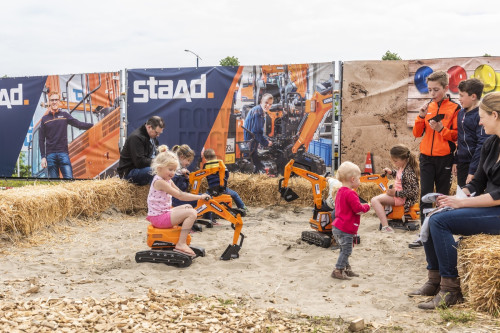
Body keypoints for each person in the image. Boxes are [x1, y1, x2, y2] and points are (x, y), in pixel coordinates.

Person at [410, 92, 500, 310]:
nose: (479, 121)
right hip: (491, 206)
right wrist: (456, 196)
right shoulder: (491, 144)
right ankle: (434, 280)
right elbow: (477, 182)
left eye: (482, 117)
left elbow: (498, 196)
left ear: (495, 115)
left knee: (441, 221)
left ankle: (451, 290)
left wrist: (460, 203)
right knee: (434, 214)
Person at [411, 71, 460, 247]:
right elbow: (417, 133)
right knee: (424, 195)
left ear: (446, 88)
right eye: (430, 90)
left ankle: (439, 232)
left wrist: (441, 130)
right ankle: (423, 234)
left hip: (445, 158)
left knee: (441, 196)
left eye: (436, 90)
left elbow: (457, 136)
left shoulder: (455, 108)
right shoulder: (428, 106)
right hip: (426, 158)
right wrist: (421, 117)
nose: (432, 94)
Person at [147, 145, 211, 257]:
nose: (172, 173)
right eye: (170, 169)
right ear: (159, 168)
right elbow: (180, 196)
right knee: (192, 213)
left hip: (163, 213)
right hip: (159, 218)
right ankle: (181, 244)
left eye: (174, 170)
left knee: (188, 207)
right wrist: (200, 197)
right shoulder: (160, 182)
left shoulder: (167, 180)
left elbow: (181, 193)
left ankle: (179, 238)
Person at [39, 91, 94, 179]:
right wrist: (43, 157)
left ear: (59, 101)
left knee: (69, 180)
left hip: (63, 153)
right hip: (50, 155)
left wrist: (93, 125)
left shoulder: (64, 115)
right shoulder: (44, 119)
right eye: (52, 100)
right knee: (54, 184)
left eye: (56, 100)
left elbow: (78, 124)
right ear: (49, 102)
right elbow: (41, 140)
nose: (54, 102)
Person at [330, 161, 370, 280]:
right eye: (359, 179)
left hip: (337, 227)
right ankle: (338, 270)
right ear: (353, 179)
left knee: (343, 249)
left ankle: (346, 269)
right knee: (347, 250)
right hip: (345, 228)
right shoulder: (351, 194)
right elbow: (358, 210)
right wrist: (368, 206)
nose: (359, 181)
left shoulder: (340, 191)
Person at [370, 144, 419, 233]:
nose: (394, 163)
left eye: (395, 161)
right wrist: (392, 172)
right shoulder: (403, 167)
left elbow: (414, 191)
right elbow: (400, 176)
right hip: (398, 195)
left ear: (404, 159)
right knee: (381, 195)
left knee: (374, 200)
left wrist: (395, 193)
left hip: (402, 198)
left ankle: (385, 227)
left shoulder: (409, 172)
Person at [453, 78, 489, 188]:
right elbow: (460, 139)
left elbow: (482, 144)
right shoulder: (461, 113)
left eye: (461, 95)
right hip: (462, 163)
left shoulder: (480, 115)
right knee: (462, 194)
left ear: (473, 96)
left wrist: (473, 170)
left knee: (473, 195)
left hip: (477, 164)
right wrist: (456, 160)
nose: (459, 99)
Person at [117, 116, 164, 185]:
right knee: (156, 170)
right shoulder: (136, 138)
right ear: (149, 127)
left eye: (159, 133)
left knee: (166, 169)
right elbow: (139, 162)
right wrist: (158, 161)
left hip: (143, 168)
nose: (158, 135)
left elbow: (153, 155)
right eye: (156, 133)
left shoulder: (152, 136)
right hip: (129, 172)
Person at [203, 148, 248, 215]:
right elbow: (226, 174)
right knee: (235, 194)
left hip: (212, 189)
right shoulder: (220, 163)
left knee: (206, 198)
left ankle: (208, 212)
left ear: (205, 158)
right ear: (215, 156)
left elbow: (204, 175)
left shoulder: (205, 165)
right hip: (222, 189)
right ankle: (242, 207)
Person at [243, 93, 273, 173]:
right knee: (251, 159)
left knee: (254, 159)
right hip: (251, 140)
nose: (268, 105)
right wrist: (266, 142)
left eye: (270, 104)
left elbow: (258, 131)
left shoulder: (258, 110)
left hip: (250, 140)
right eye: (266, 103)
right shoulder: (258, 113)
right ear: (261, 102)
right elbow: (256, 132)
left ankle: (258, 170)